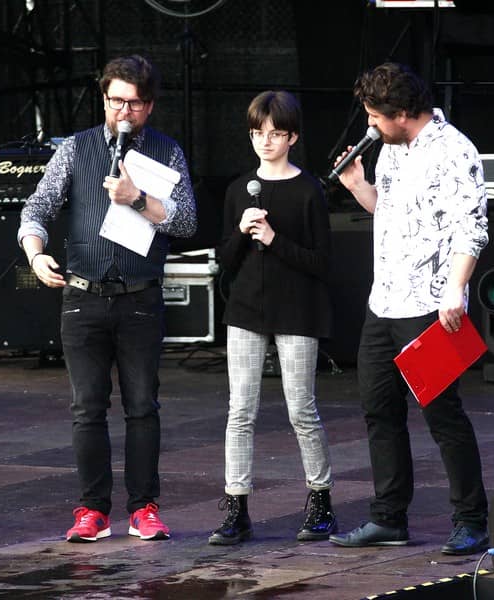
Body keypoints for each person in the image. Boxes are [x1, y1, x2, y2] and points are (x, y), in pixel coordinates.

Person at [18, 55, 197, 543]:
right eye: (116, 101)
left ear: (150, 106)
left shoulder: (166, 151)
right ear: (103, 99)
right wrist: (36, 254)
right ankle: (92, 510)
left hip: (140, 297)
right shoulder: (75, 149)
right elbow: (37, 207)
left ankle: (144, 508)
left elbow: (186, 222)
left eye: (134, 104)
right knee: (87, 407)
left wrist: (137, 198)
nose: (124, 112)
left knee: (142, 406)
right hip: (83, 297)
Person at [327, 63, 490, 555]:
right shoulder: (391, 150)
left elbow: (472, 228)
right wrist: (358, 186)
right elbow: (392, 212)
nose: (370, 125)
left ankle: (471, 519)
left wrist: (455, 289)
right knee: (379, 409)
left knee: (442, 414)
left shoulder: (455, 151)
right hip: (385, 301)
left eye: (375, 117)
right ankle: (388, 517)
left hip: (431, 305)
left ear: (401, 113)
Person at [208, 90, 337, 545]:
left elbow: (322, 261)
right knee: (240, 410)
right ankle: (236, 507)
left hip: (297, 310)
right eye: (257, 133)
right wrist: (242, 233)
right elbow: (225, 260)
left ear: (292, 138)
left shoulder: (308, 190)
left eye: (276, 134)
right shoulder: (239, 189)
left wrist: (273, 238)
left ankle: (321, 502)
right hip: (246, 310)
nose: (266, 141)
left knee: (301, 409)